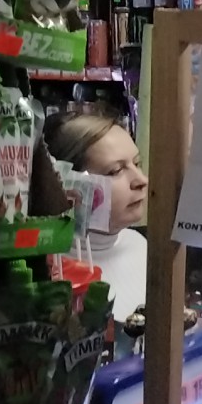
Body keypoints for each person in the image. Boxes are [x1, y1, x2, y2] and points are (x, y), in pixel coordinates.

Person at [44, 112, 148, 346]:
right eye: (115, 171)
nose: (141, 180)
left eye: (137, 164)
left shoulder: (143, 247)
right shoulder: (46, 274)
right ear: (68, 183)